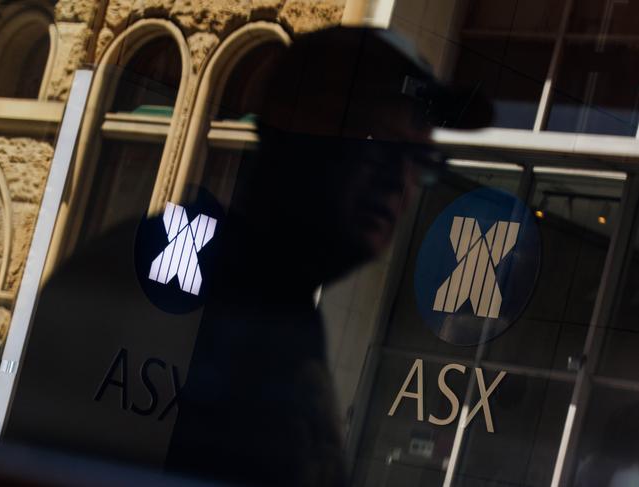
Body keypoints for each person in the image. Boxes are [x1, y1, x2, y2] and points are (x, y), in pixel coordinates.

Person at [165, 26, 491, 487]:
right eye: (379, 144)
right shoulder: (191, 294)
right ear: (292, 134)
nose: (399, 182)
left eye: (419, 159)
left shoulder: (284, 315)